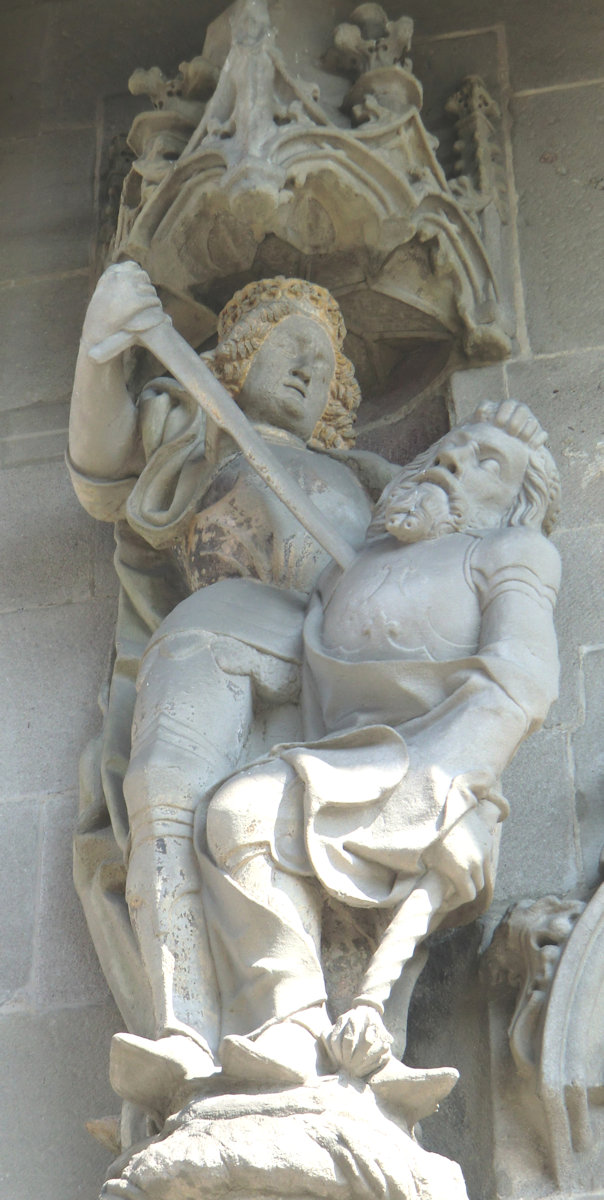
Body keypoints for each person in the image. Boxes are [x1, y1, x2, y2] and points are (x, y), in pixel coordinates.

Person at [68, 262, 398, 1118]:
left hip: (330, 656)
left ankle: (304, 1026)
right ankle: (185, 1025)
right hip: (213, 630)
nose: (304, 368)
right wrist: (104, 347)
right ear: (236, 357)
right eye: (287, 345)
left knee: (265, 825)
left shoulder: (365, 476)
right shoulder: (193, 439)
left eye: (322, 362)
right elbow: (97, 465)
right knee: (162, 793)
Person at [196, 399, 561, 1086]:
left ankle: (365, 1062)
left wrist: (451, 774)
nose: (452, 459)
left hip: (434, 763)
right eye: (450, 448)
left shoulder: (512, 552)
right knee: (236, 814)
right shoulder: (347, 566)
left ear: (513, 505)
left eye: (487, 463)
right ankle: (290, 1020)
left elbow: (522, 679)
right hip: (337, 751)